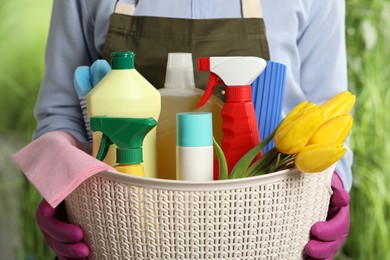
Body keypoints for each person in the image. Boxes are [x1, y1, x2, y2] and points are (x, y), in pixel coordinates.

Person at [33, 0, 351, 259]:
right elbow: (61, 112)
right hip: (126, 232)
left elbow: (330, 109)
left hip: (269, 228)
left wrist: (332, 185)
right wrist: (58, 186)